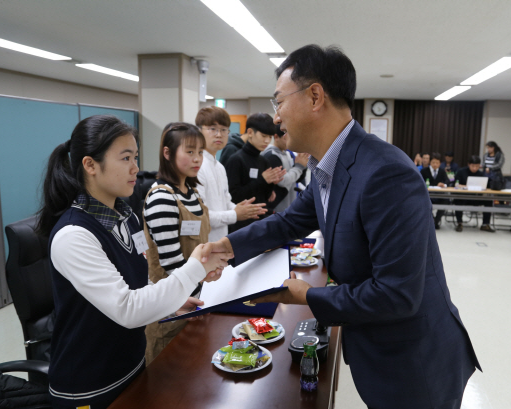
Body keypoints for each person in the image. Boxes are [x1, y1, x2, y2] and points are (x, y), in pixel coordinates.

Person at [201, 45, 479, 409]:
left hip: (415, 363)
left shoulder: (385, 172)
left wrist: (306, 296)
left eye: (279, 103)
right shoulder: (326, 168)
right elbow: (289, 222)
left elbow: (397, 294)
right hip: (377, 350)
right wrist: (228, 248)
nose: (277, 119)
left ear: (315, 96)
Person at [36, 115, 230, 409]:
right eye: (125, 158)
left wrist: (171, 301)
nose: (136, 168)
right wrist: (195, 269)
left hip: (131, 366)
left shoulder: (125, 215)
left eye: (135, 157)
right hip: (90, 385)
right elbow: (127, 308)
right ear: (90, 165)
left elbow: (138, 281)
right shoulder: (73, 236)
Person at [142, 122, 216, 363]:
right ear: (167, 153)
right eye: (190, 151)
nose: (197, 159)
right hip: (174, 308)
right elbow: (172, 264)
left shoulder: (193, 192)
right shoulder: (162, 197)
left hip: (198, 301)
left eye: (200, 152)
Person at [195, 106, 267, 242]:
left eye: (223, 130)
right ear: (199, 131)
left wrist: (243, 210)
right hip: (203, 244)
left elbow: (226, 202)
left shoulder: (220, 167)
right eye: (212, 129)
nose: (219, 134)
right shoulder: (196, 167)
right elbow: (201, 216)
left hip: (220, 240)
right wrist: (235, 214)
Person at [224, 112, 286, 232]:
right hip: (240, 226)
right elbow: (233, 196)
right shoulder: (236, 159)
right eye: (263, 136)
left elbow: (265, 197)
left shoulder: (264, 161)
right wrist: (262, 180)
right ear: (251, 132)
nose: (267, 141)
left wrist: (271, 184)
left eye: (270, 137)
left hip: (260, 222)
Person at [262, 124, 309, 212]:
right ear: (276, 137)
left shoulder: (287, 153)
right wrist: (299, 166)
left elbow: (296, 179)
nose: (289, 141)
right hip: (276, 207)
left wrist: (303, 165)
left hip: (288, 203)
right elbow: (282, 181)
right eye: (285, 138)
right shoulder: (272, 155)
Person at [454, 155, 495, 232]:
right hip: (464, 197)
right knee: (458, 200)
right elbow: (456, 184)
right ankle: (459, 223)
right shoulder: (461, 171)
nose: (474, 168)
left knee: (488, 201)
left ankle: (485, 224)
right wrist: (466, 186)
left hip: (477, 197)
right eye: (472, 166)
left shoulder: (481, 174)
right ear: (468, 164)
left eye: (477, 166)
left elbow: (487, 186)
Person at [421, 152, 451, 229]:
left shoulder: (442, 171)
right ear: (430, 162)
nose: (435, 164)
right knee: (424, 203)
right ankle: (431, 220)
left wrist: (444, 184)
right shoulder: (424, 171)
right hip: (428, 195)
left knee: (446, 200)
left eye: (437, 163)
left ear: (440, 163)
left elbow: (447, 181)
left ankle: (436, 221)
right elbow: (420, 182)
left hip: (439, 195)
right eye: (433, 162)